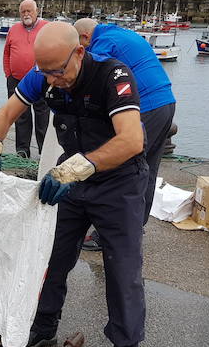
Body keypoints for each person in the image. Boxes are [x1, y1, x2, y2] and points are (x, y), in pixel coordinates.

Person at [0, 22, 149, 347]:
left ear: (80, 52)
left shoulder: (113, 75)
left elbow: (133, 140)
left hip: (118, 184)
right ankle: (44, 326)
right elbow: (6, 114)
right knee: (51, 257)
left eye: (60, 71)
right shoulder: (45, 76)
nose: (54, 80)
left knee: (123, 271)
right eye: (46, 72)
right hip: (71, 182)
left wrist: (76, 167)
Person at [75, 18, 176, 251]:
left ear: (85, 38)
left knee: (123, 168)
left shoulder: (103, 44)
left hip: (148, 106)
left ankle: (108, 233)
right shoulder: (120, 33)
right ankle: (135, 227)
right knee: (147, 170)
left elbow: (92, 76)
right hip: (166, 102)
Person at [3, 0, 50, 158]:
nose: (26, 14)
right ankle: (22, 151)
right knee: (20, 116)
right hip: (16, 80)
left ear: (36, 12)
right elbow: (7, 53)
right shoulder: (14, 29)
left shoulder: (46, 27)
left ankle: (44, 152)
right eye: (23, 11)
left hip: (41, 80)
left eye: (29, 11)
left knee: (42, 116)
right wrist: (8, 74)